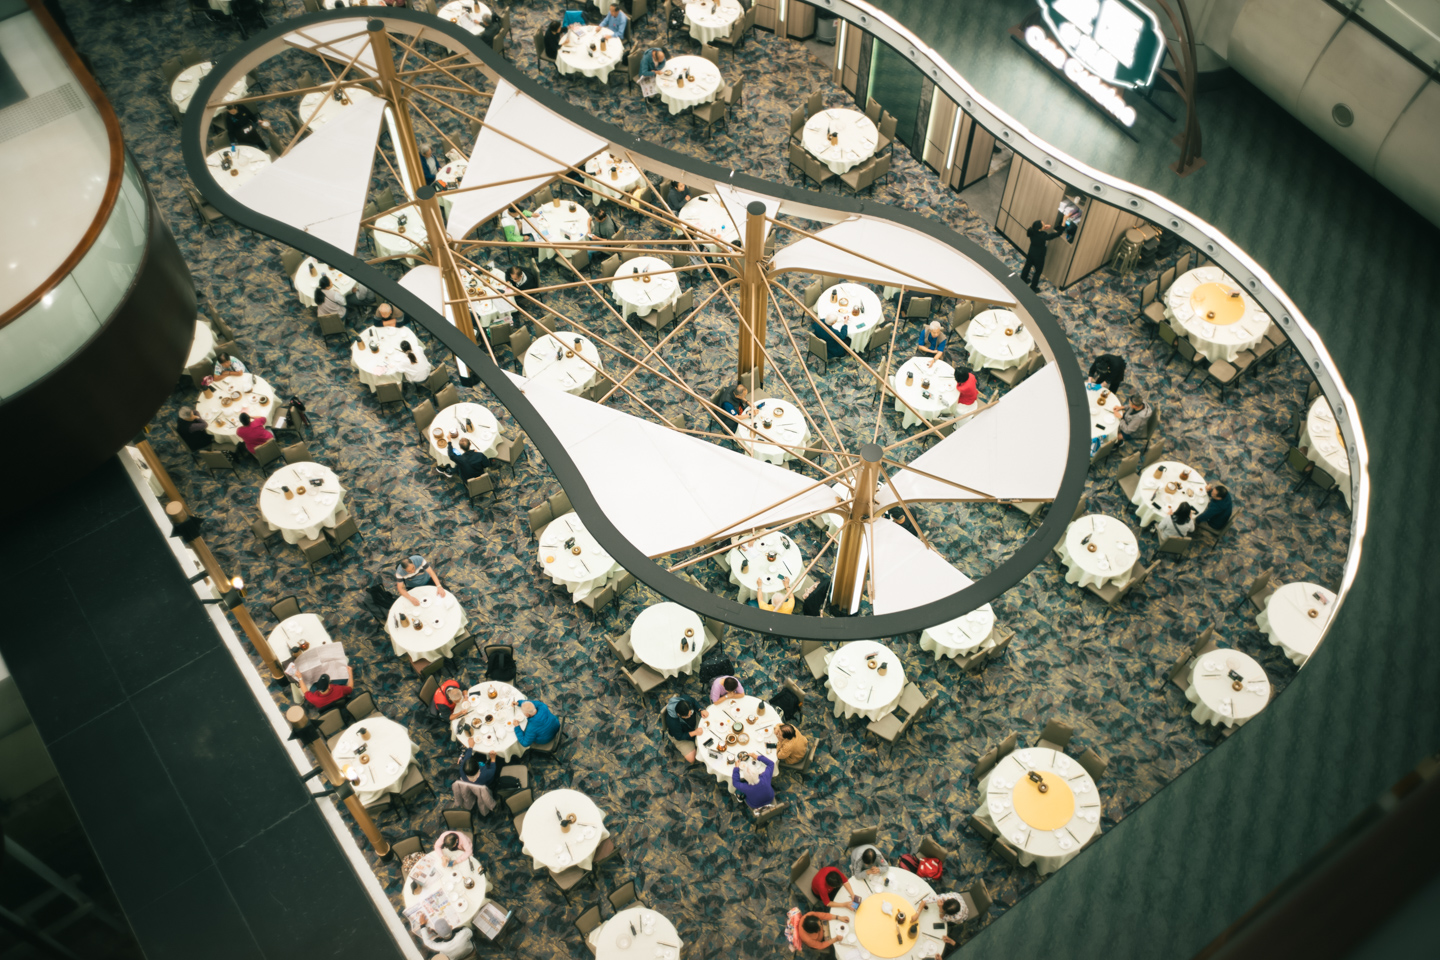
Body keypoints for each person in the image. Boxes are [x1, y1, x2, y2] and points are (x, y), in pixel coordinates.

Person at [451, 742, 498, 815]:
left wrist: (470, 747)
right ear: (478, 766)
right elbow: (493, 769)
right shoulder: (485, 773)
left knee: (476, 755)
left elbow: (466, 759)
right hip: (486, 783)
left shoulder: (462, 770)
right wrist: (493, 759)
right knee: (497, 763)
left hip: (469, 783)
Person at [1021, 220, 1065, 292]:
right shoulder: (1043, 235)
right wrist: (1064, 220)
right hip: (1039, 256)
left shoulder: (1031, 231)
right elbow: (1058, 233)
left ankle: (1023, 279)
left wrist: (1043, 227)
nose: (1045, 225)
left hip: (1031, 252)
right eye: (1043, 224)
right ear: (1039, 229)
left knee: (1027, 266)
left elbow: (1034, 227)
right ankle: (1033, 288)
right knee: (1038, 272)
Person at [663, 694, 703, 761]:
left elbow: (693, 701)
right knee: (692, 759)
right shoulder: (672, 722)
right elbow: (679, 736)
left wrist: (700, 709)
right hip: (681, 735)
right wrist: (695, 733)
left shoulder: (686, 700)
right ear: (678, 714)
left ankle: (695, 742)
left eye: (690, 713)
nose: (690, 716)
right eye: (687, 716)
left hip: (693, 724)